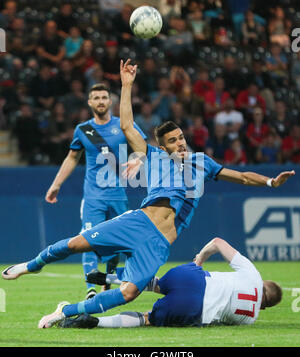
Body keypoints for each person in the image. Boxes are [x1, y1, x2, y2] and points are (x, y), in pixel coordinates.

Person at [2, 60, 295, 329]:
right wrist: (126, 85)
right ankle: (32, 265)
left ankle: (64, 312)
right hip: (139, 222)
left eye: (181, 137)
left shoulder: (201, 163)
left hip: (160, 243)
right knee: (76, 244)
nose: (180, 143)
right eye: (173, 141)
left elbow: (242, 176)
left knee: (129, 293)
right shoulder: (154, 157)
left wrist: (270, 183)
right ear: (163, 146)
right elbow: (127, 126)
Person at [48, 82, 146, 299]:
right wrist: (56, 184)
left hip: (118, 195)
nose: (101, 101)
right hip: (93, 196)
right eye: (97, 98)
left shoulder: (124, 126)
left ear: (110, 101)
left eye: (104, 97)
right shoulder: (83, 130)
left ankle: (108, 280)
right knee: (88, 239)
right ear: (90, 102)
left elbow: (143, 146)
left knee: (118, 245)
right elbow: (72, 157)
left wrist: (138, 160)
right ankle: (90, 290)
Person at [58, 237, 282, 328]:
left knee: (156, 284)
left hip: (193, 276)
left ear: (263, 282)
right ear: (264, 306)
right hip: (195, 308)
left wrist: (200, 259)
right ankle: (96, 322)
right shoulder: (250, 319)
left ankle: (109, 277)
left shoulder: (253, 274)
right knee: (146, 319)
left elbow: (217, 242)